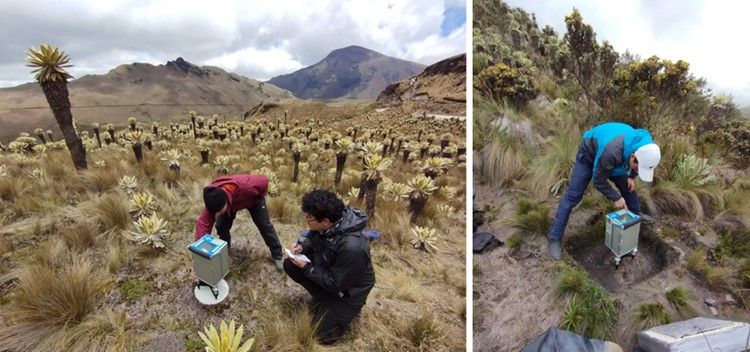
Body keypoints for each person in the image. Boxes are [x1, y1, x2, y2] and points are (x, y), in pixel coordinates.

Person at [548, 122, 661, 261]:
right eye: (637, 168)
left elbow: (641, 165)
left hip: (616, 160)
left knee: (628, 188)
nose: (638, 171)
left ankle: (635, 215)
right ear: (633, 156)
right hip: (589, 156)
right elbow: (598, 180)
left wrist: (632, 176)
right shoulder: (612, 152)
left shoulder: (646, 147)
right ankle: (554, 238)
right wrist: (616, 197)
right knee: (573, 196)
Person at [284, 189, 376, 344]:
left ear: (325, 221)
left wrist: (307, 268)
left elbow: (335, 283)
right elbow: (313, 240)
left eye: (309, 217)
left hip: (347, 291)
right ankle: (321, 297)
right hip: (330, 273)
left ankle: (349, 310)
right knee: (291, 265)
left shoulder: (351, 247)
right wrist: (302, 249)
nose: (306, 219)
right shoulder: (326, 226)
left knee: (322, 337)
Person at [193, 174, 283, 274]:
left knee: (264, 225)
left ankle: (277, 255)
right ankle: (225, 248)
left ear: (225, 202)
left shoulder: (247, 187)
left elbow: (264, 181)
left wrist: (258, 198)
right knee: (221, 225)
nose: (217, 214)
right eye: (215, 212)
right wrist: (199, 258)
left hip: (253, 200)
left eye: (218, 211)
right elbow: (203, 225)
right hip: (230, 206)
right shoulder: (213, 200)